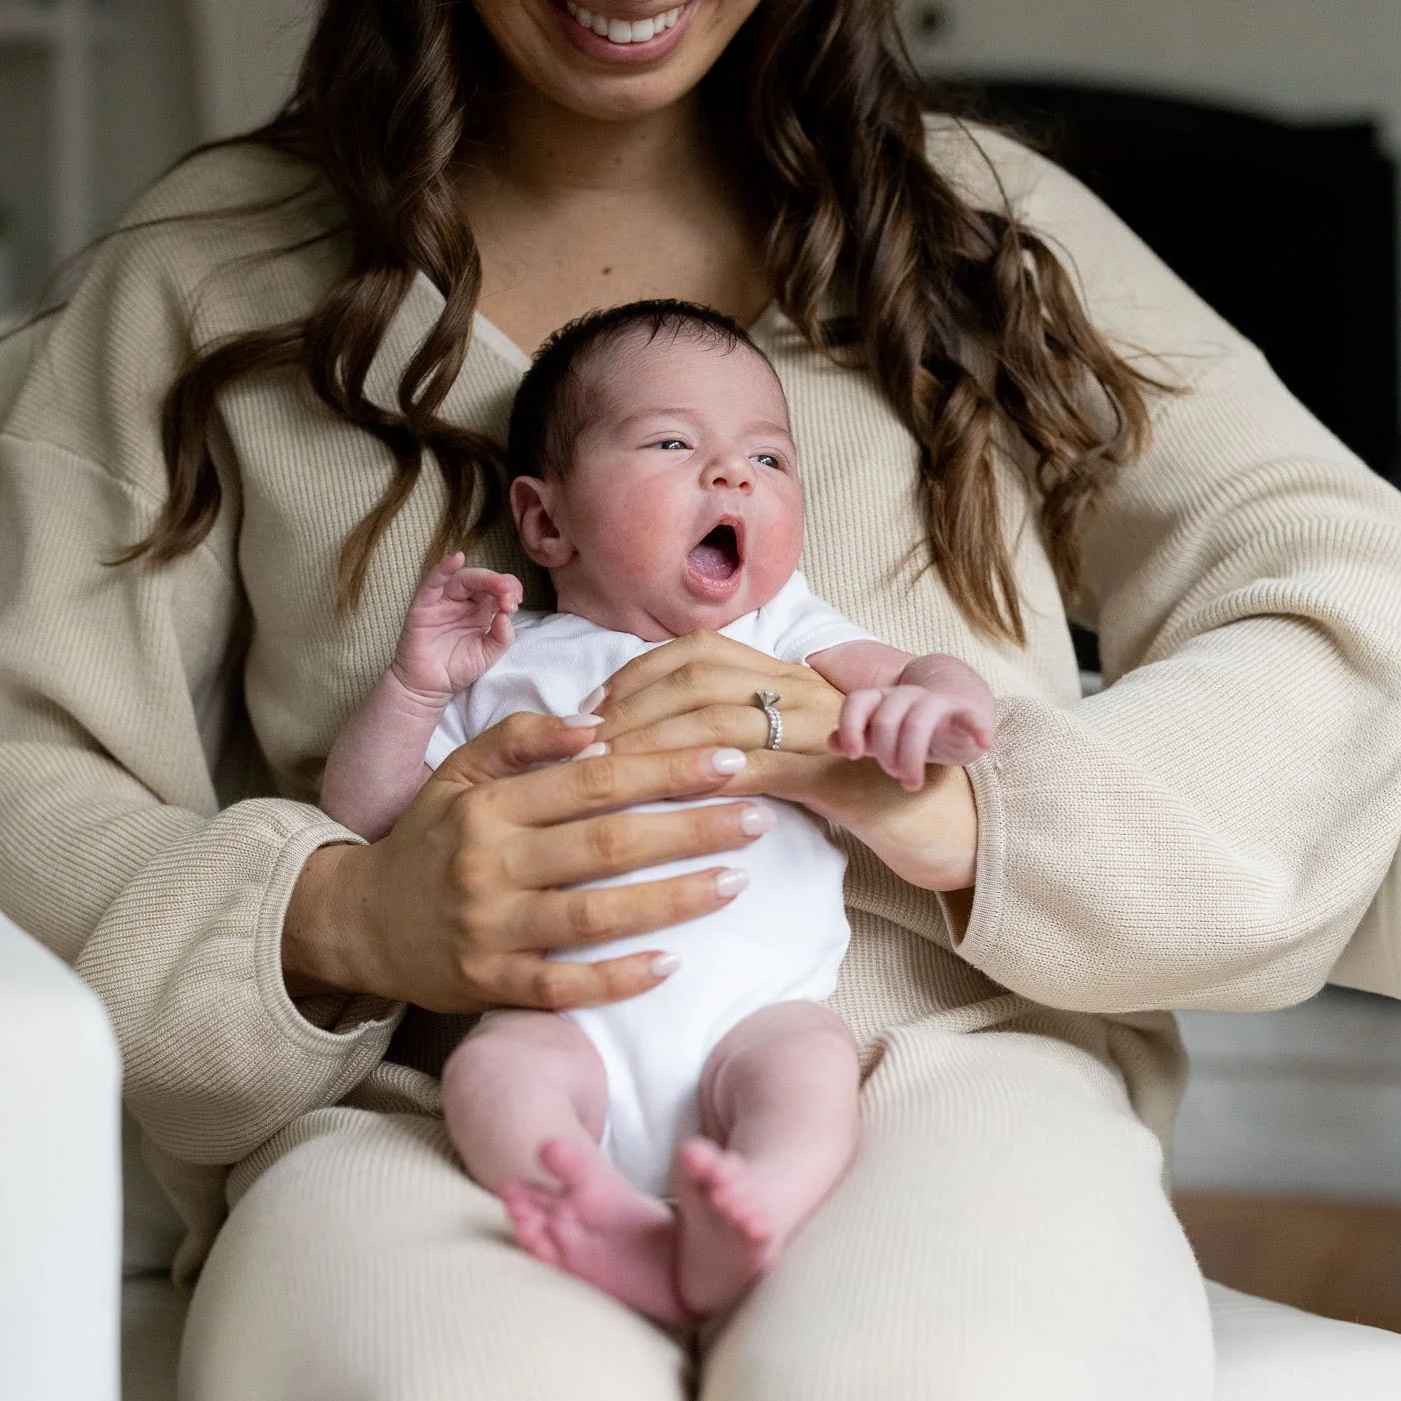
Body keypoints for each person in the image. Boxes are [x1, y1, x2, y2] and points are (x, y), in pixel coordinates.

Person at [0, 0, 1401, 1393]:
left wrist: (972, 805)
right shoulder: (211, 268)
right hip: (441, 1100)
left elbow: (1361, 591)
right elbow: (17, 769)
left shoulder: (968, 225)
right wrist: (345, 919)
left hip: (940, 1080)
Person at [320, 299, 996, 1322]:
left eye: (768, 460)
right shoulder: (512, 665)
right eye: (674, 443)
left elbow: (927, 674)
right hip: (561, 1024)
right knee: (490, 1079)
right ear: (547, 520)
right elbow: (366, 822)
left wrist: (935, 703)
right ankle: (604, 1222)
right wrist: (416, 691)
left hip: (754, 1018)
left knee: (812, 1072)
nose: (733, 476)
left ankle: (759, 1202)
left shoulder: (787, 630)